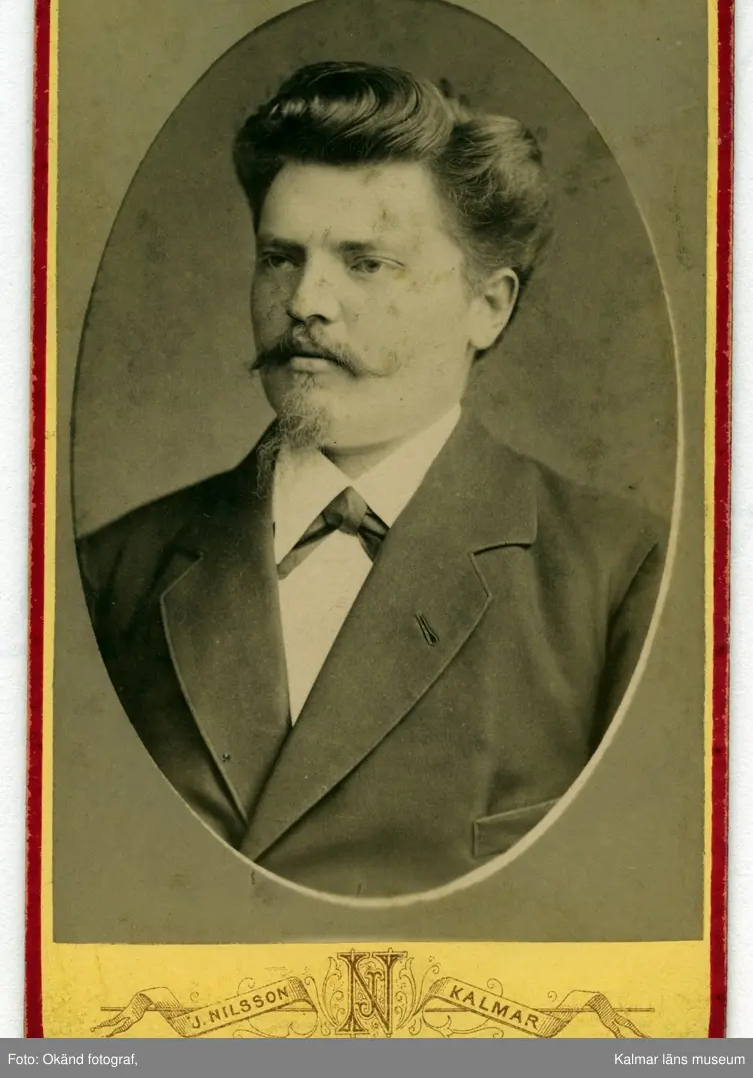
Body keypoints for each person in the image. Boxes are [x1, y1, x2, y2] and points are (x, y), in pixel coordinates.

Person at [78, 61, 666, 898]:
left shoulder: (617, 575)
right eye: (279, 257)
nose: (304, 301)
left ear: (488, 305)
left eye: (365, 263)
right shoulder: (109, 574)